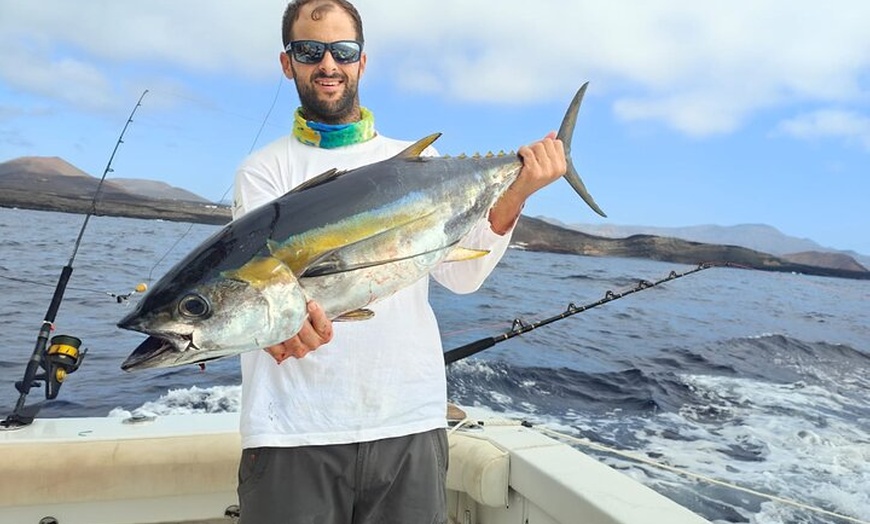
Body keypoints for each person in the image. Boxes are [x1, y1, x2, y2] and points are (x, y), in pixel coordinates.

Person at [231, 0, 569, 522]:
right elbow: (260, 291)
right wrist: (281, 331)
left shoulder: (419, 166)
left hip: (407, 419)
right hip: (293, 428)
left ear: (361, 62)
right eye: (309, 50)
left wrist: (518, 191)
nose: (327, 64)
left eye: (343, 51)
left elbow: (462, 275)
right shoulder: (263, 171)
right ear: (287, 63)